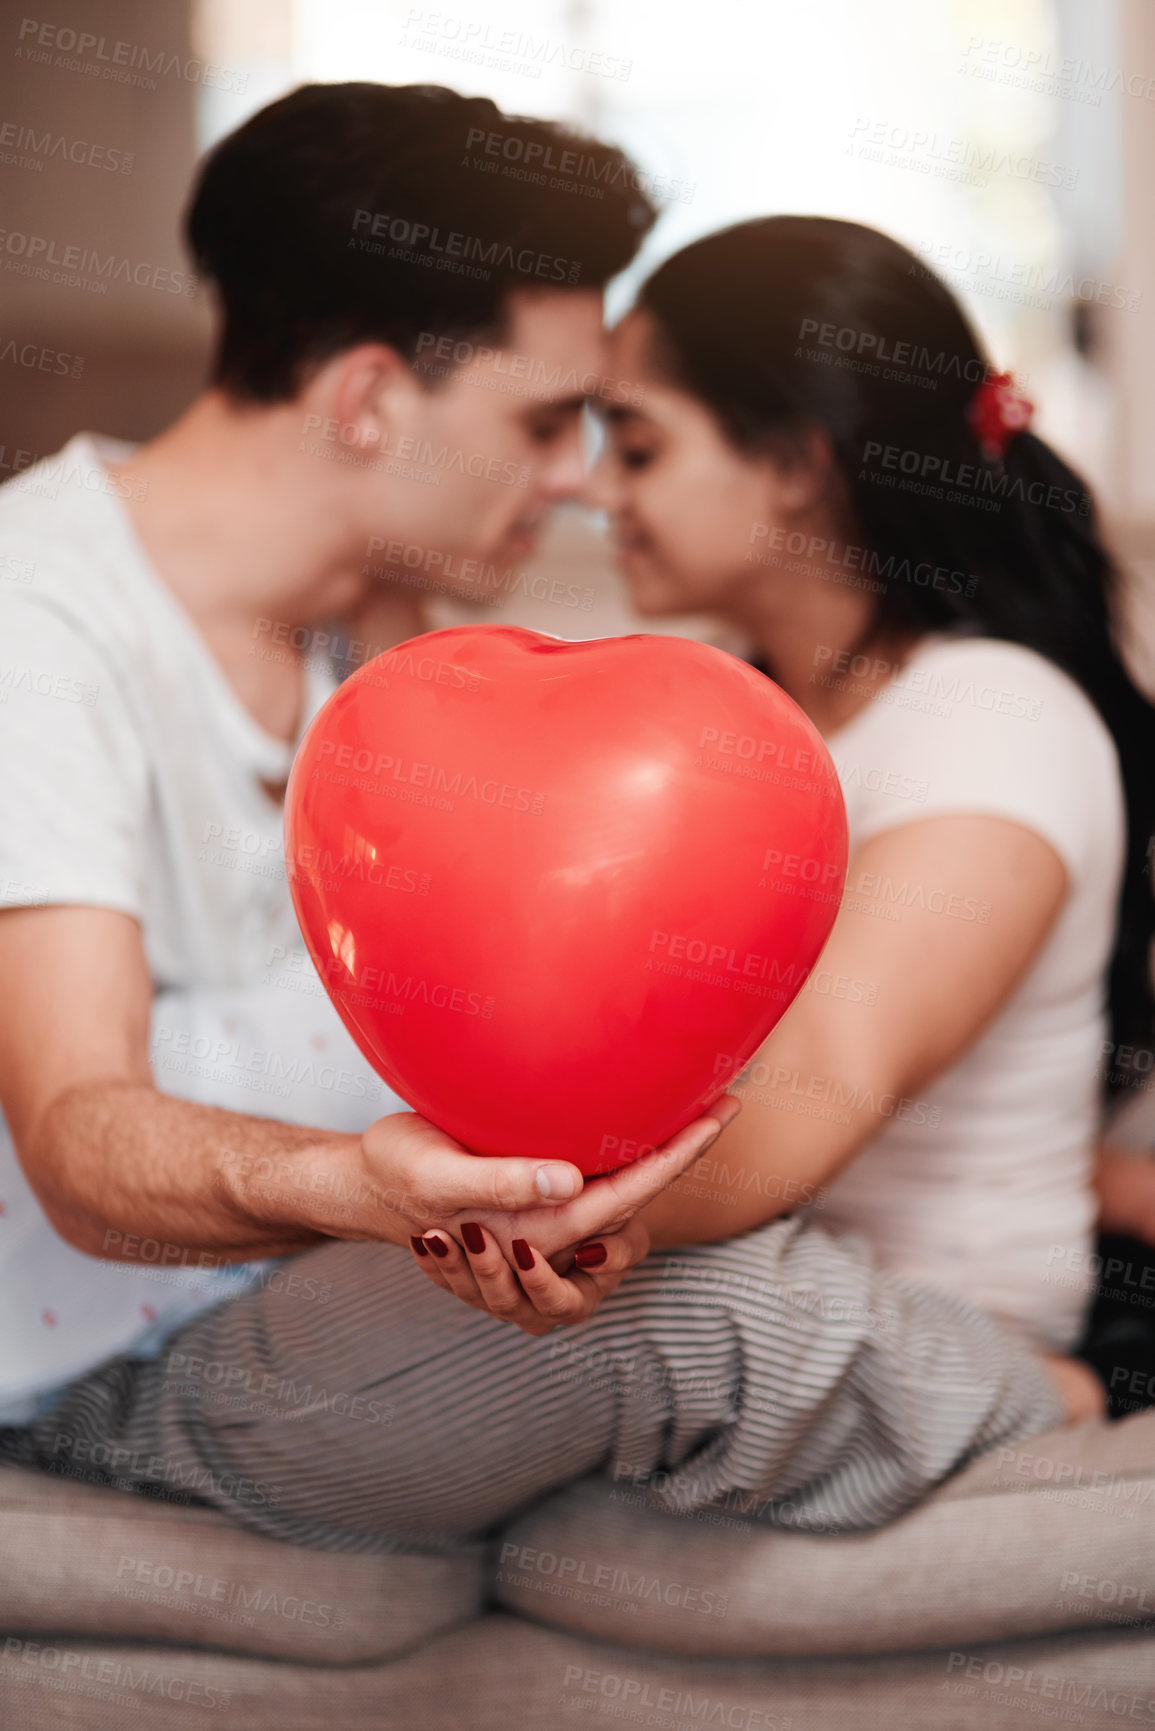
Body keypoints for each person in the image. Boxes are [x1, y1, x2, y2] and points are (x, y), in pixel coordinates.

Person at [0, 93, 1093, 1556]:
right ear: (369, 401)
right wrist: (362, 1195)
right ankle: (1060, 1402)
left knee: (640, 1296)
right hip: (100, 1373)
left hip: (332, 1306)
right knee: (680, 1309)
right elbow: (76, 1144)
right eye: (544, 420)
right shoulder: (39, 620)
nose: (579, 476)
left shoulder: (377, 640)